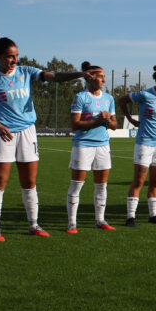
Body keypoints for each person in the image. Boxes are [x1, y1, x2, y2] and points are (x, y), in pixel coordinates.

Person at [0, 32, 94, 241]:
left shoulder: (26, 72)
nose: (14, 60)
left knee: (29, 181)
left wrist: (79, 74)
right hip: (4, 133)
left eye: (16, 56)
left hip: (27, 131)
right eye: (9, 56)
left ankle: (34, 225)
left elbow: (54, 77)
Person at [120, 65, 156, 225]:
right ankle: (130, 217)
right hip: (145, 143)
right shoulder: (144, 95)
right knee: (139, 181)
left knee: (155, 182)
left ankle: (153, 216)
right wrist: (130, 119)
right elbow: (122, 100)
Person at [66, 63, 116, 233]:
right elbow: (74, 125)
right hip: (83, 145)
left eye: (104, 76)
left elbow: (114, 125)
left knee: (101, 186)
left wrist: (108, 120)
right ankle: (72, 223)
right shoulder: (80, 97)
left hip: (103, 145)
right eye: (100, 76)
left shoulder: (109, 99)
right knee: (77, 185)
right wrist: (97, 120)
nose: (104, 80)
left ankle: (100, 220)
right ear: (90, 77)